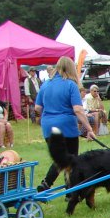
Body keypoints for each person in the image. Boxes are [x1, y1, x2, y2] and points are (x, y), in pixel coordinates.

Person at [34, 56, 96, 192]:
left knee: (60, 157)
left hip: (48, 126)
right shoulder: (70, 85)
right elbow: (78, 109)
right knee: (71, 159)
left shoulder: (45, 85)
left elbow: (37, 108)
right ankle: (68, 190)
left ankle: (48, 183)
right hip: (66, 127)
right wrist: (89, 129)